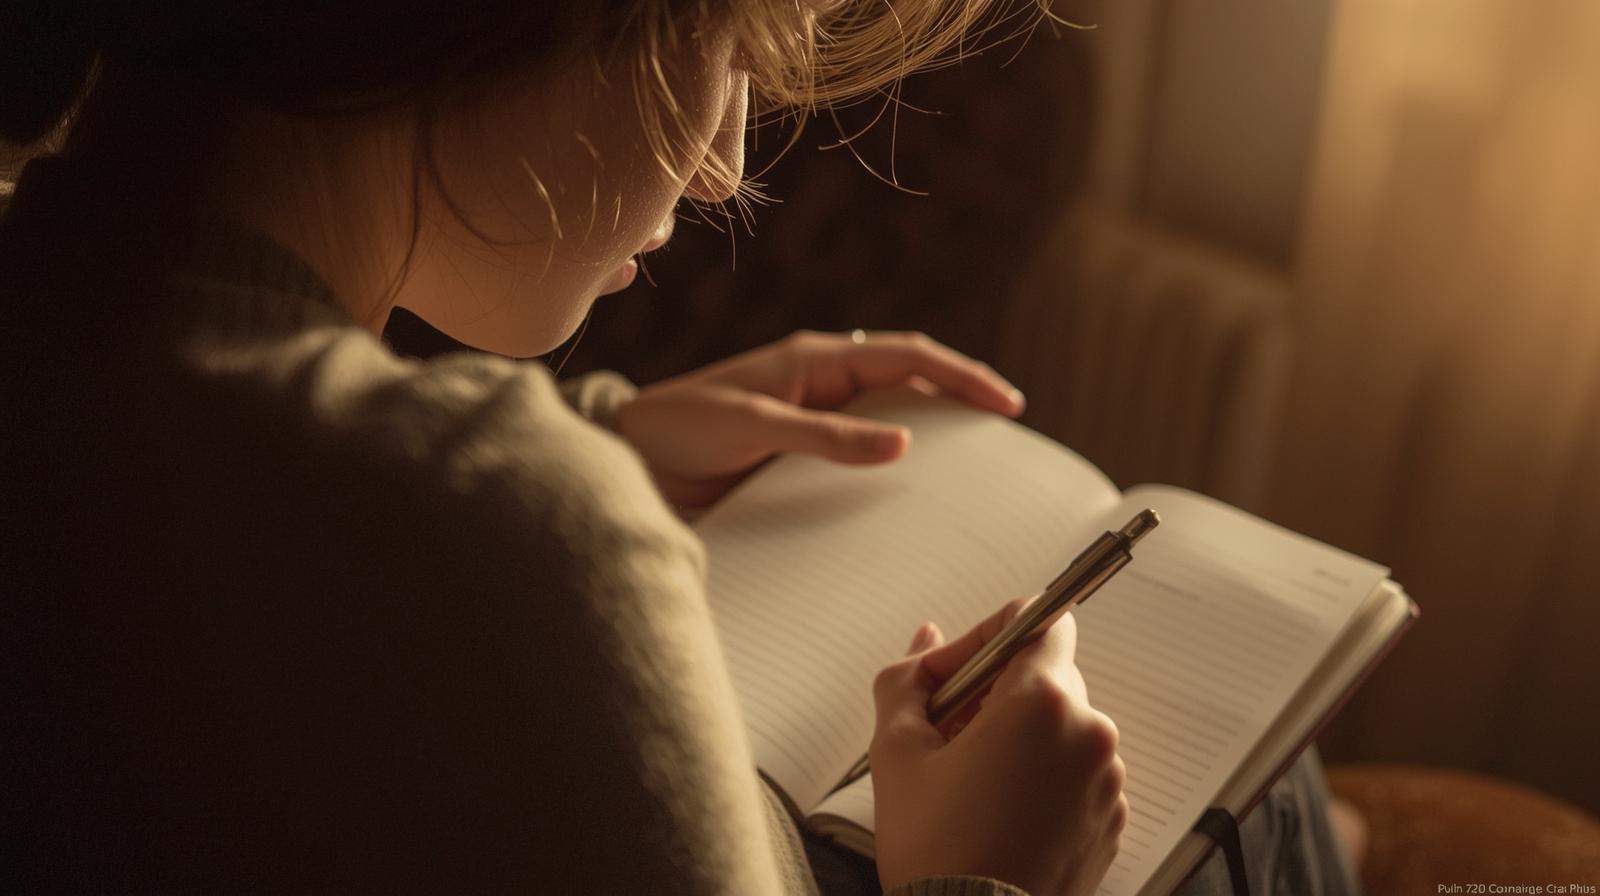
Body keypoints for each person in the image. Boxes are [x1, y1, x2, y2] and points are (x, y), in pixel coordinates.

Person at [0, 2, 1360, 894]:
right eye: (728, 34)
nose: (719, 164)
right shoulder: (513, 536)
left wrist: (604, 441)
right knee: (1270, 797)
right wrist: (991, 876)